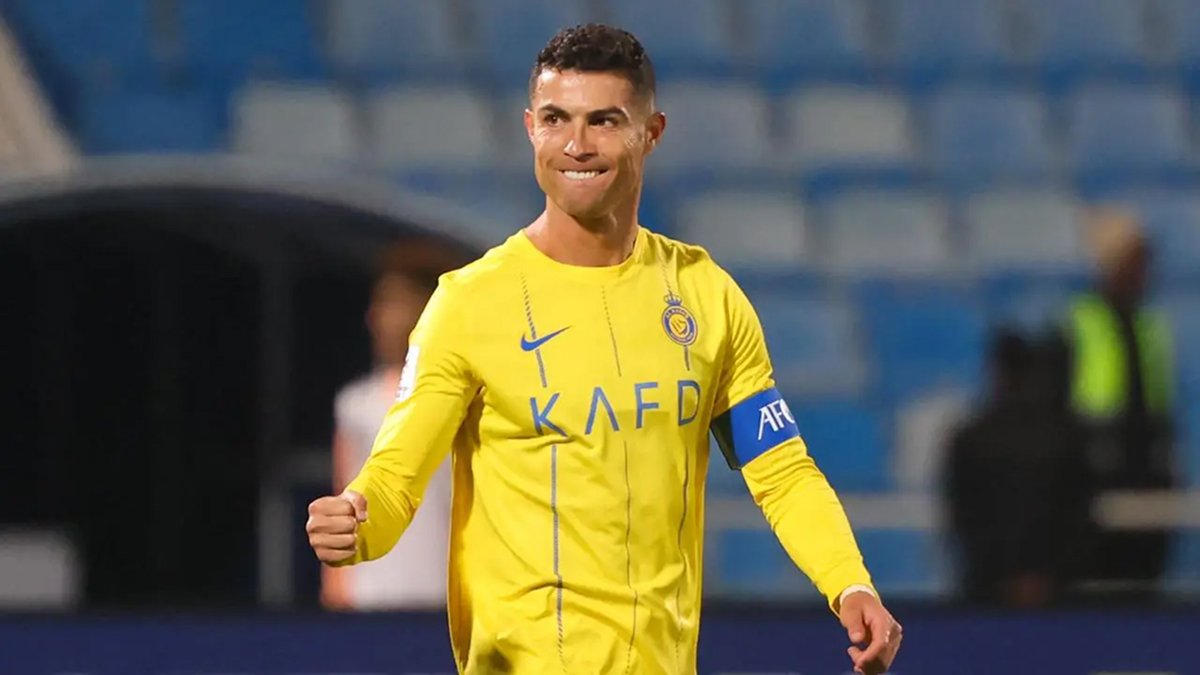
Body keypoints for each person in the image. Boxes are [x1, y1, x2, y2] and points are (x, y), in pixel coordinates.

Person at [305, 24, 901, 674]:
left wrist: (850, 581)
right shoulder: (469, 304)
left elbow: (780, 471)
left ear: (652, 133)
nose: (576, 145)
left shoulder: (706, 297)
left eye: (604, 121)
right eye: (557, 119)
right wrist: (356, 525)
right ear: (530, 126)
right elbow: (395, 480)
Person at [322, 247, 451, 611]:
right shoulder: (355, 404)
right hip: (371, 593)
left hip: (441, 591)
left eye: (392, 304)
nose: (376, 319)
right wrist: (335, 581)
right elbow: (341, 491)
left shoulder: (461, 401)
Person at [1060, 208, 1177, 593]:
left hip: (1147, 477)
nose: (1143, 270)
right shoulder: (1080, 320)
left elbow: (1159, 405)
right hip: (1092, 480)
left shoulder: (1150, 325)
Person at [943, 330, 1094, 608]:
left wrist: (1003, 576)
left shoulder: (970, 438)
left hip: (989, 590)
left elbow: (962, 516)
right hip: (1054, 592)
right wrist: (1044, 575)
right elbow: (1078, 514)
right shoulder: (1067, 438)